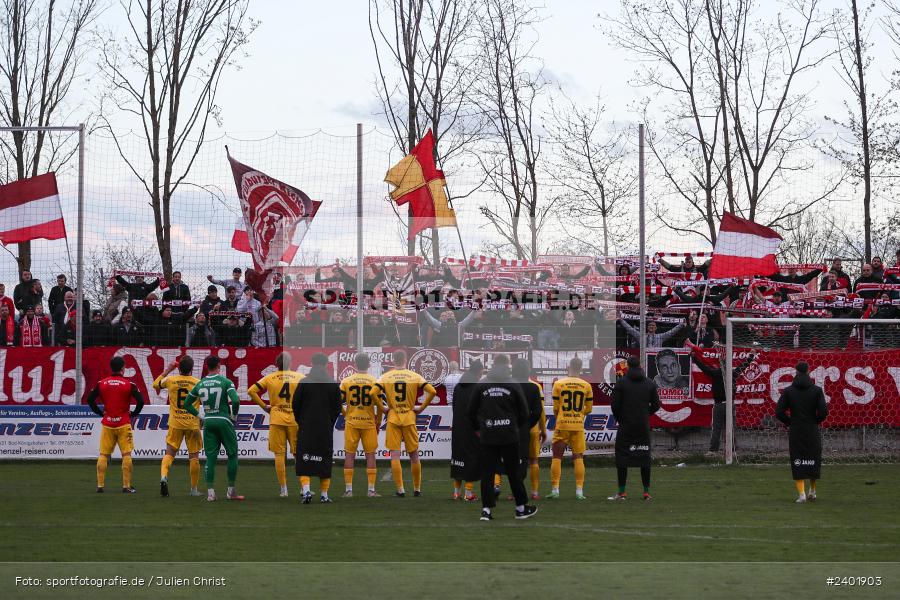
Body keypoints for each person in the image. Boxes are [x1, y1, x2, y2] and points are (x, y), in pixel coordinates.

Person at [467, 354, 537, 521]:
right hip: (509, 436)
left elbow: (470, 411)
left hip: (488, 435)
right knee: (514, 473)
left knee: (487, 474)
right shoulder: (513, 383)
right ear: (507, 365)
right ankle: (520, 509)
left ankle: (486, 510)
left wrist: (479, 428)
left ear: (493, 365)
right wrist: (514, 425)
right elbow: (525, 412)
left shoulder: (482, 384)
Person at [373, 349, 437, 497]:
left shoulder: (386, 376)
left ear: (393, 360)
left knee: (395, 455)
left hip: (393, 417)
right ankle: (417, 489)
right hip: (409, 417)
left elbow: (372, 393)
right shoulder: (414, 376)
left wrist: (382, 407)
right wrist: (421, 407)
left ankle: (400, 490)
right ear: (405, 359)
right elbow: (432, 391)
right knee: (414, 454)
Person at [184, 355, 243, 502]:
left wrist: (201, 416)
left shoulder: (200, 383)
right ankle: (231, 492)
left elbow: (186, 404)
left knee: (210, 458)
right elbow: (235, 400)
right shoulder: (225, 381)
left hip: (209, 421)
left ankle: (211, 493)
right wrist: (234, 416)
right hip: (223, 420)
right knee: (232, 455)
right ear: (219, 366)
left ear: (206, 366)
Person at [249, 352, 304, 497]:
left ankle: (283, 489)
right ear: (290, 363)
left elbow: (251, 391)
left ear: (276, 364)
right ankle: (303, 487)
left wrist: (264, 406)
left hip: (276, 418)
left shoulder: (269, 377)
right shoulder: (299, 377)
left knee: (279, 454)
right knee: (298, 454)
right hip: (294, 419)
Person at [86, 356, 145, 493]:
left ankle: (100, 486)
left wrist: (100, 413)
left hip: (107, 424)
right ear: (123, 368)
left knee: (103, 455)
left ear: (111, 367)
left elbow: (90, 400)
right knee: (126, 454)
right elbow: (141, 401)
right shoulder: (129, 384)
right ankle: (126, 486)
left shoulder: (102, 383)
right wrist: (134, 413)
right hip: (123, 423)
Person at [292, 352, 343, 504]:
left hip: (306, 426)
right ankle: (324, 495)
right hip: (325, 427)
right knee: (324, 460)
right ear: (327, 364)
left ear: (312, 364)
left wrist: (301, 421)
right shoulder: (333, 384)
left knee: (304, 459)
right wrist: (329, 421)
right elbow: (338, 408)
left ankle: (306, 490)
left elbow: (295, 405)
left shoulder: (304, 382)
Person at [689, 344, 757, 454]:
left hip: (719, 405)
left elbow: (703, 368)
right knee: (730, 428)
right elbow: (743, 365)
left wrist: (694, 357)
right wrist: (751, 356)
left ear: (720, 365)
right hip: (729, 405)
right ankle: (732, 450)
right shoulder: (733, 374)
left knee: (716, 428)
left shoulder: (715, 373)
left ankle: (713, 451)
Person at [775, 361, 828, 503]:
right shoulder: (816, 390)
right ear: (809, 371)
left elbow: (779, 411)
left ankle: (802, 494)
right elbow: (824, 411)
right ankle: (813, 491)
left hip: (796, 429)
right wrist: (815, 421)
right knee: (813, 457)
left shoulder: (789, 391)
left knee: (797, 458)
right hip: (811, 428)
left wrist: (789, 422)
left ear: (796, 371)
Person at [609, 356, 661, 501]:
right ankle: (646, 492)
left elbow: (615, 406)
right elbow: (657, 405)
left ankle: (622, 492)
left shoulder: (621, 383)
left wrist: (621, 418)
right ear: (640, 366)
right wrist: (645, 414)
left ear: (628, 367)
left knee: (622, 457)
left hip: (626, 426)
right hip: (643, 426)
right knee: (644, 457)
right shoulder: (650, 383)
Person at [152, 357, 201, 497]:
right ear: (192, 369)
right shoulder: (198, 383)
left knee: (169, 453)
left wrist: (168, 370)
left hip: (175, 423)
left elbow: (155, 385)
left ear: (178, 368)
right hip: (192, 423)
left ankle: (163, 477)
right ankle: (193, 489)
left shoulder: (170, 380)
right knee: (194, 456)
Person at [547, 357, 593, 500]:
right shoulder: (586, 385)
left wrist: (563, 415)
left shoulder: (559, 384)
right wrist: (578, 414)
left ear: (568, 367)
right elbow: (589, 409)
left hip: (562, 424)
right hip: (578, 425)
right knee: (578, 457)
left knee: (556, 457)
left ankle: (555, 490)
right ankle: (579, 492)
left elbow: (555, 408)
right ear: (581, 368)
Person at [339, 353, 383, 498]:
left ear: (355, 365)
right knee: (370, 455)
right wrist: (378, 421)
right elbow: (380, 405)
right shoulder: (374, 381)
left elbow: (337, 402)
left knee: (349, 455)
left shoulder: (346, 381)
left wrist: (346, 415)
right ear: (369, 364)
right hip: (368, 422)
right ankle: (371, 490)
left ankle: (348, 490)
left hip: (352, 422)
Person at [450, 360, 484, 501]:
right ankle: (468, 493)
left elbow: (454, 407)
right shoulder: (477, 387)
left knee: (458, 458)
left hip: (458, 427)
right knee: (472, 458)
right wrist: (479, 428)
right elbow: (477, 411)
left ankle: (456, 492)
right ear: (479, 371)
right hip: (471, 428)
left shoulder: (458, 386)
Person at [512, 359, 545, 500]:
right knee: (534, 461)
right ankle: (535, 492)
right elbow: (540, 411)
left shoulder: (510, 386)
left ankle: (513, 491)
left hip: (513, 428)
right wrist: (541, 428)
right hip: (531, 428)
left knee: (511, 460)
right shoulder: (535, 386)